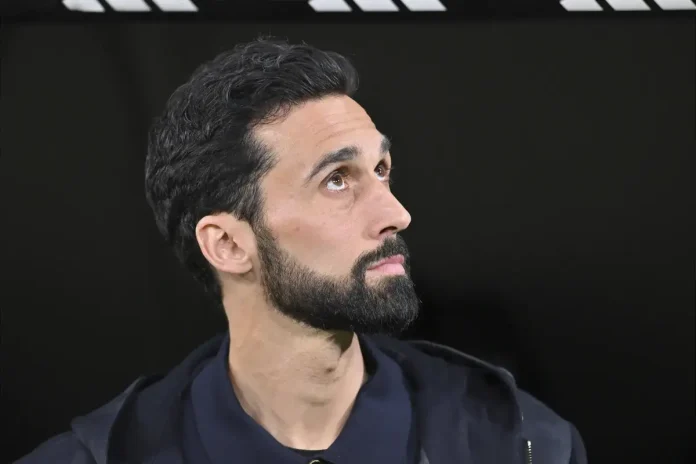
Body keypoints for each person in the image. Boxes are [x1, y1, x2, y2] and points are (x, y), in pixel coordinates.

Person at [17, 38, 586, 464]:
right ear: (227, 244)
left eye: (381, 170)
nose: (396, 213)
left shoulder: (524, 443)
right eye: (337, 180)